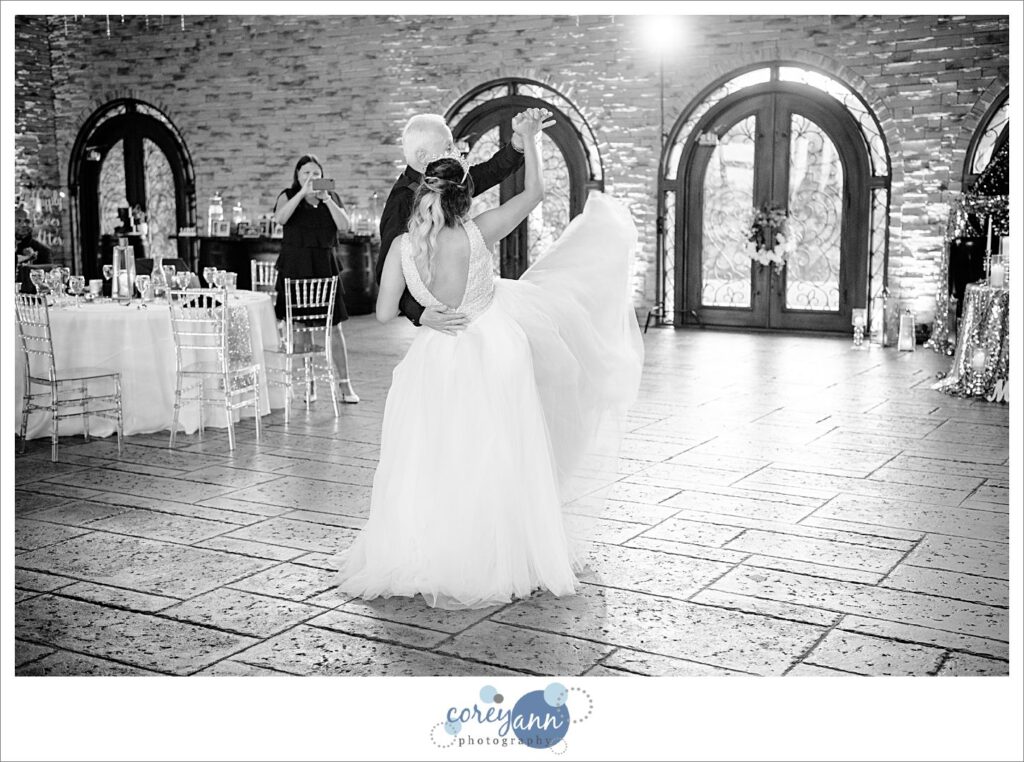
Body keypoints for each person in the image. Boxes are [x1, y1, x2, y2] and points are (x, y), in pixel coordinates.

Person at [334, 111, 644, 609]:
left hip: (434, 357)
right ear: (460, 195)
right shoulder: (476, 231)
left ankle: (428, 548)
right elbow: (534, 194)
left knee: (433, 452)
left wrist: (424, 312)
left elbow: (384, 309)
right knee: (497, 449)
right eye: (451, 150)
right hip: (493, 346)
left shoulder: (402, 244)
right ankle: (498, 547)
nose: (457, 152)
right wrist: (532, 142)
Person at [376, 110, 551, 335]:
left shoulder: (447, 181)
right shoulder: (402, 202)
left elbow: (490, 171)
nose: (457, 152)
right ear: (422, 156)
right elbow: (387, 270)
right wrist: (419, 313)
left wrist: (518, 140)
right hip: (447, 324)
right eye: (449, 146)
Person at [273, 154, 359, 403]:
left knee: (334, 327)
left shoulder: (331, 197)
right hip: (296, 268)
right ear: (297, 176)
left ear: (323, 176)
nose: (311, 177)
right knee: (301, 328)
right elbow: (281, 218)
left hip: (324, 268)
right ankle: (308, 384)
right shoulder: (288, 195)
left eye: (316, 173)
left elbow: (344, 225)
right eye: (306, 173)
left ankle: (345, 385)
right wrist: (302, 193)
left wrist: (327, 199)